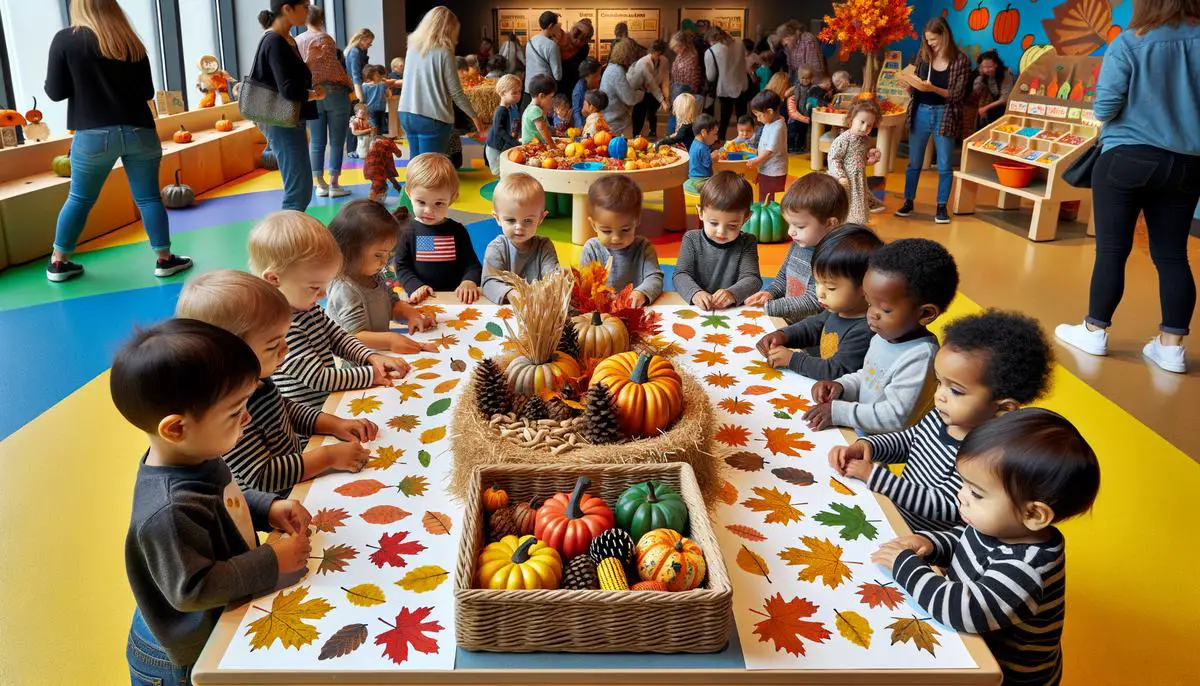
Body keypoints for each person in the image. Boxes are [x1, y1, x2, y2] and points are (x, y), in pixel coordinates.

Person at [117, 319, 311, 684]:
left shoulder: (197, 452)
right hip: (178, 656)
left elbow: (221, 501)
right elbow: (193, 588)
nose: (248, 418)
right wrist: (271, 559)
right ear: (176, 428)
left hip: (212, 621)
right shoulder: (168, 510)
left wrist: (264, 508)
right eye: (236, 412)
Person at [872, 408, 1100, 686]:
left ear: (1034, 514)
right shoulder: (1004, 525)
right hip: (974, 646)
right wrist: (931, 543)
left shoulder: (1026, 569)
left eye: (976, 493)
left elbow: (962, 610)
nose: (961, 496)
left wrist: (906, 567)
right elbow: (964, 540)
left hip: (1006, 676)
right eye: (964, 485)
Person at [1055, 0, 1200, 374]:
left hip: (1127, 158)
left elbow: (1105, 106)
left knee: (1112, 250)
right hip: (1187, 164)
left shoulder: (1131, 41)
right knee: (1172, 256)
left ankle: (1095, 331)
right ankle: (1171, 348)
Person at [832, 310, 1054, 531]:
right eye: (939, 382)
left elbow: (946, 504)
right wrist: (869, 446)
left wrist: (873, 475)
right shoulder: (941, 416)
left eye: (956, 390)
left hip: (923, 542)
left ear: (1003, 408)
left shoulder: (987, 456)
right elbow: (908, 441)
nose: (940, 395)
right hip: (893, 517)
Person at [176, 270, 382, 494]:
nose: (287, 348)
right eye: (274, 345)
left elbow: (283, 409)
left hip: (299, 476)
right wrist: (328, 456)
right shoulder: (227, 414)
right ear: (229, 355)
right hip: (280, 499)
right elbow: (262, 475)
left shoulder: (257, 381)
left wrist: (334, 424)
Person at [43, 0, 191, 282]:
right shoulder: (130, 41)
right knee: (148, 198)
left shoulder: (66, 40)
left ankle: (59, 263)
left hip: (93, 135)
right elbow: (147, 91)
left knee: (80, 198)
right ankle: (165, 259)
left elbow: (55, 92)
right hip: (140, 131)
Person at [248, 210, 407, 409]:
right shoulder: (280, 328)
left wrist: (370, 357)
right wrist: (371, 374)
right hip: (311, 419)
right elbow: (319, 378)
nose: (323, 295)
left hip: (330, 402)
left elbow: (338, 338)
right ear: (274, 280)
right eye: (315, 287)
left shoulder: (308, 307)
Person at [804, 238, 959, 434]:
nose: (871, 314)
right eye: (869, 303)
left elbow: (894, 417)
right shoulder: (884, 335)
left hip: (883, 451)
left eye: (885, 309)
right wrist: (842, 386)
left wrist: (838, 412)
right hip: (860, 434)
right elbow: (870, 378)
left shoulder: (921, 357)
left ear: (925, 314)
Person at [757, 225, 881, 380]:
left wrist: (792, 359)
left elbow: (836, 371)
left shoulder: (865, 330)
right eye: (817, 282)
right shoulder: (838, 309)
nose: (819, 293)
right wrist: (783, 336)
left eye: (830, 287)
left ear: (866, 287)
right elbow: (812, 327)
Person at [326, 201, 440, 354]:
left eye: (388, 254)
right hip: (354, 363)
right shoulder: (345, 289)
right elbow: (354, 336)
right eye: (378, 254)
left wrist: (411, 315)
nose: (385, 261)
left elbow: (392, 305)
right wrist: (391, 340)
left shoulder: (374, 275)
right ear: (349, 251)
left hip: (378, 353)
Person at [250, 1, 325, 212]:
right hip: (280, 120)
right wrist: (313, 95)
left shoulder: (286, 39)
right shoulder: (274, 41)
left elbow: (289, 78)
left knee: (300, 187)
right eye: (304, 6)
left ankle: (290, 238)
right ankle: (286, 241)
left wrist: (308, 63)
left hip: (288, 119)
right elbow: (289, 90)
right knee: (298, 190)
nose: (308, 11)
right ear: (287, 9)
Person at [895, 17, 971, 224]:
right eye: (927, 40)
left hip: (944, 114)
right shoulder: (923, 56)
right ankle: (908, 201)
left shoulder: (961, 61)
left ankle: (941, 207)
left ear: (945, 36)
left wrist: (933, 88)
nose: (930, 44)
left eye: (934, 40)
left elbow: (956, 95)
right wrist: (909, 85)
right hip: (920, 111)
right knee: (914, 163)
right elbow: (917, 84)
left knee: (945, 165)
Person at [745, 173, 849, 322]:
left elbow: (814, 301)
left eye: (799, 226)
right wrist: (770, 294)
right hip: (788, 320)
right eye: (789, 224)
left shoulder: (832, 258)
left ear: (830, 224)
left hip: (810, 333)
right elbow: (782, 279)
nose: (790, 232)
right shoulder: (799, 243)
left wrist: (770, 307)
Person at [392, 153, 482, 305]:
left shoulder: (457, 231)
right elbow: (401, 266)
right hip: (421, 300)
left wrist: (469, 281)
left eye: (438, 203)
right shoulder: (407, 232)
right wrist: (415, 287)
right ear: (409, 193)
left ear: (452, 198)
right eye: (421, 202)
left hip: (454, 300)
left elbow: (471, 264)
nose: (428, 210)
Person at [398, 8, 484, 158]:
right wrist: (475, 117)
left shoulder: (412, 48)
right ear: (449, 29)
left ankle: (412, 183)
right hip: (432, 117)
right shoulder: (444, 52)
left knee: (416, 165)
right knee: (431, 168)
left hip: (406, 113)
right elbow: (456, 92)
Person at [672, 171, 762, 309]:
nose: (721, 232)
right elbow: (680, 275)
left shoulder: (747, 242)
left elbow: (753, 279)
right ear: (700, 213)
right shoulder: (691, 239)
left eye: (732, 226)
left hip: (733, 312)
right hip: (697, 309)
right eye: (714, 223)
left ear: (746, 218)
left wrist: (732, 293)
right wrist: (695, 293)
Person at [579, 175, 663, 307]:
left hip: (636, 311)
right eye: (606, 231)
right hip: (602, 313)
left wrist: (640, 293)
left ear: (637, 221)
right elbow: (585, 285)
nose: (616, 238)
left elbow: (655, 278)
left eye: (625, 230)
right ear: (594, 225)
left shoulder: (643, 247)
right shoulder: (591, 249)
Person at [295, 6, 353, 198]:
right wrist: (348, 83)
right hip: (334, 93)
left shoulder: (298, 40)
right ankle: (335, 184)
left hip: (311, 95)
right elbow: (333, 69)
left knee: (317, 142)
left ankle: (320, 184)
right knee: (337, 141)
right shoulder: (325, 38)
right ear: (322, 19)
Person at [481, 173, 562, 304]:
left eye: (527, 220)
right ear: (497, 218)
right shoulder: (497, 247)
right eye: (511, 220)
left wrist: (558, 280)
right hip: (507, 310)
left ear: (541, 218)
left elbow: (553, 276)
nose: (519, 227)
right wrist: (512, 294)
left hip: (537, 310)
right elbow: (488, 282)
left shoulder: (544, 246)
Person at [828, 99, 884, 225]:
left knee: (858, 210)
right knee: (845, 209)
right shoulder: (843, 139)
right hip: (846, 181)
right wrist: (840, 176)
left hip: (859, 181)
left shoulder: (864, 139)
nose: (865, 128)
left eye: (869, 125)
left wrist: (871, 159)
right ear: (852, 119)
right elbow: (833, 159)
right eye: (862, 122)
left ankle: (855, 229)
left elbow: (861, 160)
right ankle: (846, 230)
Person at [704, 27, 750, 139]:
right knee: (742, 117)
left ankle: (720, 142)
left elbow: (711, 76)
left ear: (712, 39)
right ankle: (745, 140)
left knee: (724, 119)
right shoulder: (739, 42)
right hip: (742, 85)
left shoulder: (712, 51)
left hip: (724, 87)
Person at [746, 90, 788, 203]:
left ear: (769, 111)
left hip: (773, 170)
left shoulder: (778, 127)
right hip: (766, 168)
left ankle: (767, 216)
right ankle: (764, 213)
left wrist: (757, 161)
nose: (758, 119)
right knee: (764, 193)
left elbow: (770, 150)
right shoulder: (770, 123)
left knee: (767, 196)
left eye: (759, 115)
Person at [600, 39, 645, 137]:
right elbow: (630, 99)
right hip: (617, 123)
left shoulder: (611, 67)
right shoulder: (617, 71)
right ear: (629, 55)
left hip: (611, 119)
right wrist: (642, 93)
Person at [343, 28, 374, 156]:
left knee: (357, 118)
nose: (370, 45)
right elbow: (355, 75)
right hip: (353, 90)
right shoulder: (355, 52)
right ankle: (351, 149)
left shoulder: (359, 51)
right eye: (369, 42)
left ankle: (355, 148)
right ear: (362, 38)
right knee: (354, 119)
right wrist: (360, 96)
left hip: (356, 88)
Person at [630, 40, 671, 138]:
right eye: (653, 53)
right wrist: (662, 101)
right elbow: (652, 83)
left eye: (658, 54)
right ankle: (635, 134)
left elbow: (665, 80)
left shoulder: (664, 61)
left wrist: (667, 98)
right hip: (641, 90)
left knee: (653, 112)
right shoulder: (643, 62)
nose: (655, 56)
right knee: (639, 113)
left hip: (655, 92)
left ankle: (652, 132)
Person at [486, 74, 522, 176]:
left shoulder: (512, 108)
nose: (518, 95)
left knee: (505, 169)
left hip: (503, 144)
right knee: (499, 171)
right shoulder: (501, 111)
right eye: (514, 93)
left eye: (519, 92)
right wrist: (513, 141)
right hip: (495, 146)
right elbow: (499, 130)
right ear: (502, 93)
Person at [667, 31, 703, 134]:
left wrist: (686, 97)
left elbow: (694, 80)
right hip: (676, 93)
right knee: (674, 119)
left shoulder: (691, 57)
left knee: (681, 121)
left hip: (685, 95)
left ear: (682, 45)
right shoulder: (679, 56)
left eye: (676, 47)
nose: (674, 50)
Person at [525, 11, 563, 101]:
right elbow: (558, 75)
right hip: (544, 91)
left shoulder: (530, 41)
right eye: (556, 24)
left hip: (529, 88)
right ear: (550, 26)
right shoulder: (552, 45)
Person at [972, 50, 1014, 127]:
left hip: (1005, 106)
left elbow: (1005, 99)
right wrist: (981, 76)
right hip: (991, 103)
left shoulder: (1006, 73)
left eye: (990, 67)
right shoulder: (981, 75)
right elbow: (976, 92)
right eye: (984, 67)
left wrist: (985, 108)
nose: (987, 70)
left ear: (996, 64)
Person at [685, 114, 721, 195]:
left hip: (693, 178)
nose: (716, 138)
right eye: (714, 134)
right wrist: (714, 159)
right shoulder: (703, 148)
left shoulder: (695, 143)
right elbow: (709, 167)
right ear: (704, 132)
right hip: (701, 181)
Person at [522, 74, 557, 145]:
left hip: (537, 145)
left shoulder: (534, 108)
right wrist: (552, 145)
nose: (552, 100)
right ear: (541, 96)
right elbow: (542, 129)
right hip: (531, 147)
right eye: (551, 97)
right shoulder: (535, 110)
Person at [361, 64, 391, 137]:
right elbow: (389, 95)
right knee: (381, 126)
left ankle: (374, 141)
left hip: (369, 109)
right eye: (378, 75)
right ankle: (379, 140)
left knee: (373, 125)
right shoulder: (383, 85)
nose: (380, 77)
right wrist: (386, 98)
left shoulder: (363, 86)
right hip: (381, 108)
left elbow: (363, 99)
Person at [572, 59, 602, 128]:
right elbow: (577, 112)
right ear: (587, 76)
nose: (599, 77)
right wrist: (581, 128)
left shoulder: (592, 84)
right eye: (596, 75)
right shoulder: (580, 89)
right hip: (584, 125)